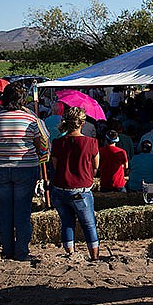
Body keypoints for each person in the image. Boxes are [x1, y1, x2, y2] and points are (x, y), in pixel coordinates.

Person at [0, 83, 49, 261]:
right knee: (22, 212)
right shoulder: (31, 120)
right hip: (25, 168)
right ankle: (22, 251)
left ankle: (7, 250)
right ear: (22, 100)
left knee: (4, 212)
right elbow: (39, 145)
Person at [50, 107, 100, 260]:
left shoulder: (58, 142)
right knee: (89, 225)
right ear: (82, 123)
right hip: (80, 190)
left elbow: (55, 166)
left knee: (67, 223)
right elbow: (96, 166)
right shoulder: (91, 142)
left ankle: (70, 253)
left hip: (59, 188)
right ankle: (94, 256)